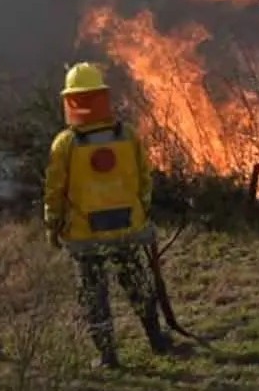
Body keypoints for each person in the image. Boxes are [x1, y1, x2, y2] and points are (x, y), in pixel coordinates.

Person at [43, 62, 171, 370]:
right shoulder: (126, 135)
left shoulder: (66, 143)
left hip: (86, 237)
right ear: (103, 97)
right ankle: (158, 341)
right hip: (127, 229)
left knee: (94, 295)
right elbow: (144, 180)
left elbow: (54, 192)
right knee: (138, 285)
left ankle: (108, 357)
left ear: (70, 101)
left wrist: (52, 226)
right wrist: (143, 212)